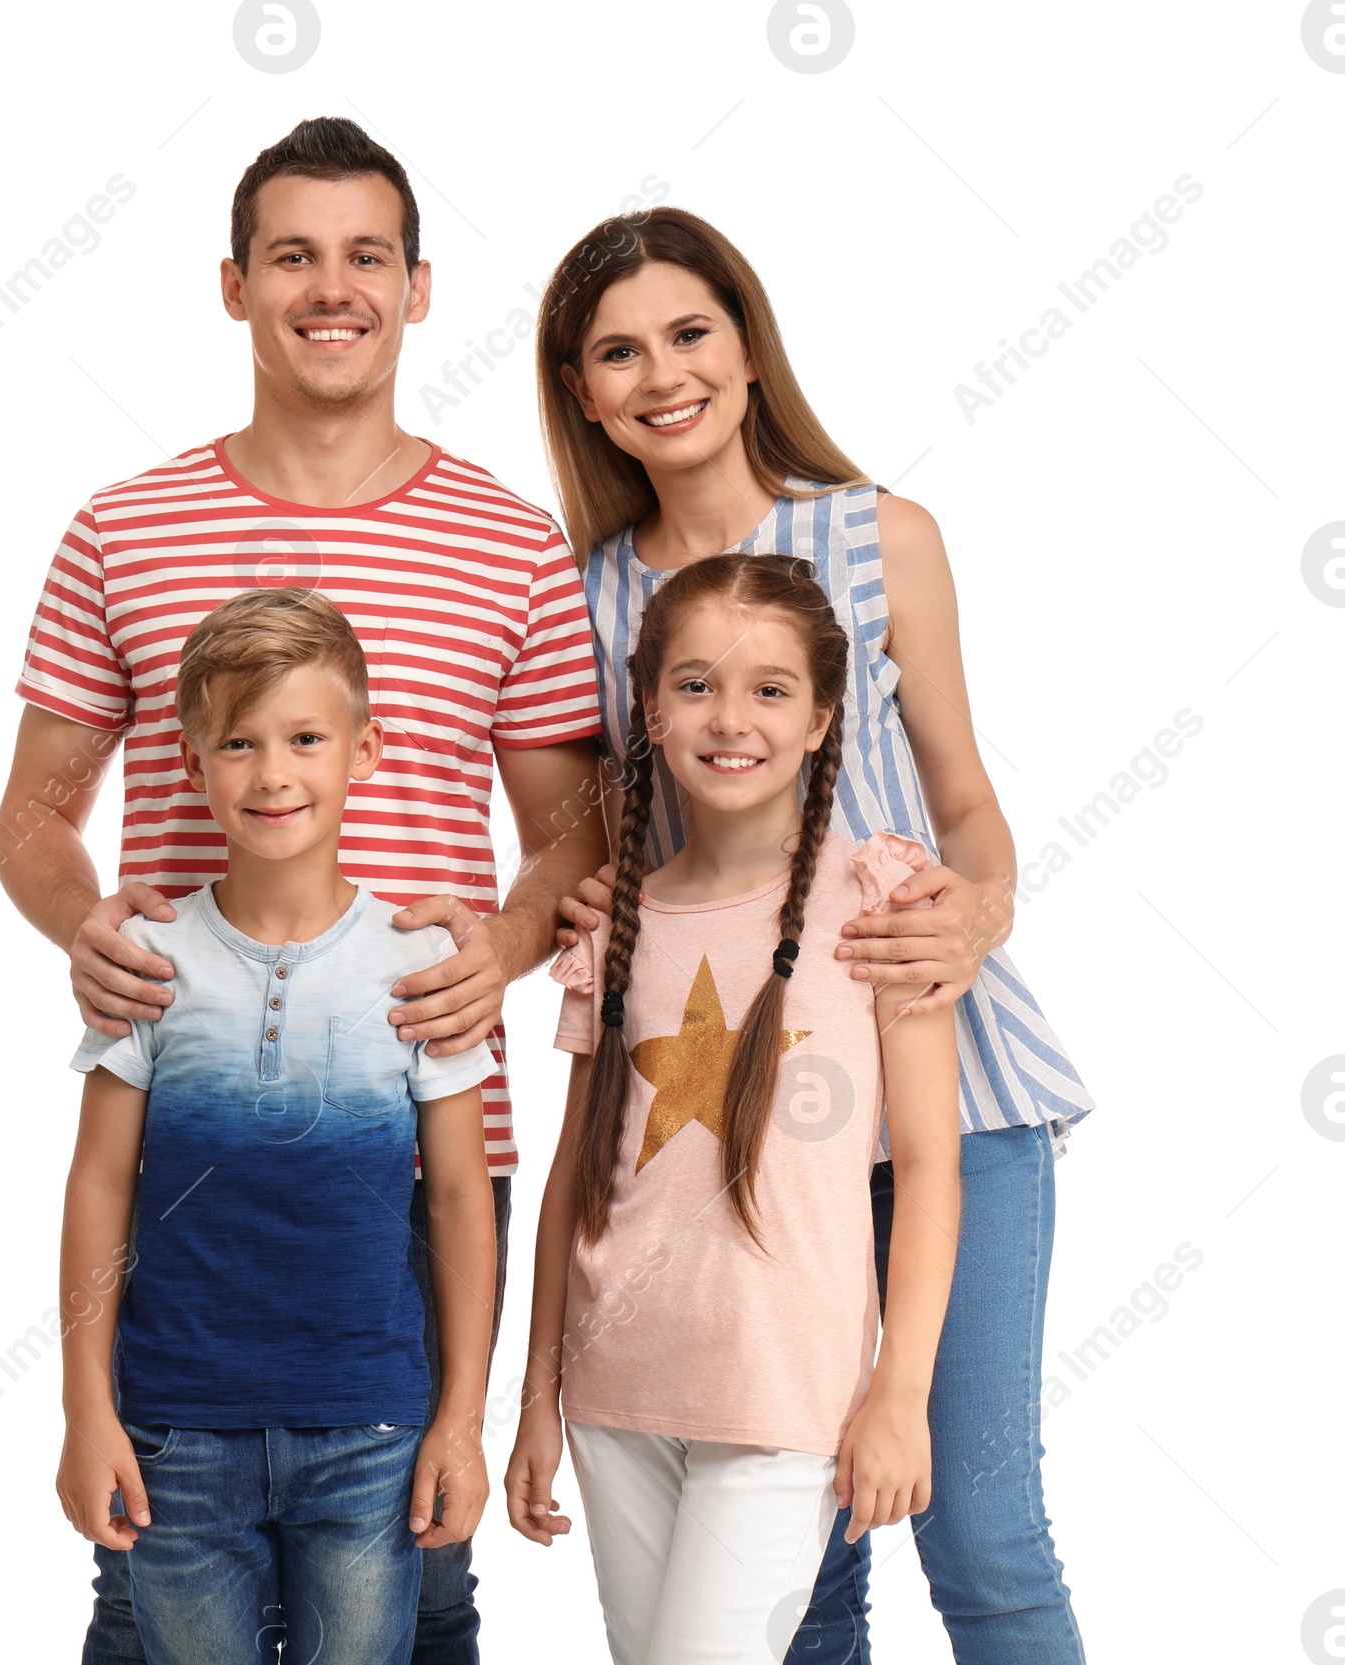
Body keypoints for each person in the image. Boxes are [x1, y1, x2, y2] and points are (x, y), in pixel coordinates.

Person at [0, 117, 606, 1664]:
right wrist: (89, 927)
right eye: (292, 255)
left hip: (420, 1136)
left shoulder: (513, 544)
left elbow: (573, 833)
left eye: (364, 257)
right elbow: (35, 815)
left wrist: (507, 945)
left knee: (420, 1579)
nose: (328, 287)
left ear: (415, 290)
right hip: (186, 1113)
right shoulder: (121, 530)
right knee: (151, 1577)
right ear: (233, 284)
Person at [540, 207, 1093, 1662]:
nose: (664, 373)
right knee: (803, 1567)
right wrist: (576, 906)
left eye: (690, 331)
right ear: (582, 389)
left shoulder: (879, 534)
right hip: (743, 1124)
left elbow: (967, 805)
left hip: (945, 1092)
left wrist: (975, 908)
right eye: (618, 351)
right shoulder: (588, 592)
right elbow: (617, 849)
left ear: (747, 342)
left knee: (981, 1533)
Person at [503, 555, 961, 1663]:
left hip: (780, 1398)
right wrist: (536, 1397)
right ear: (649, 707)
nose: (729, 718)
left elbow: (929, 1173)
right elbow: (572, 1178)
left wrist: (899, 1393)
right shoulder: (613, 929)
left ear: (819, 720)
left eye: (768, 690)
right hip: (617, 1392)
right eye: (696, 684)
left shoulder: (882, 899)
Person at [56, 590, 498, 1664]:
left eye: (305, 738)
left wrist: (461, 1419)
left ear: (366, 749)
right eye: (239, 743)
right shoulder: (152, 960)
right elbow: (98, 1186)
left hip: (370, 1432)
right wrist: (85, 1413)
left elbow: (455, 1198)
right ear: (193, 759)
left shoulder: (415, 968)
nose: (272, 773)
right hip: (176, 1436)